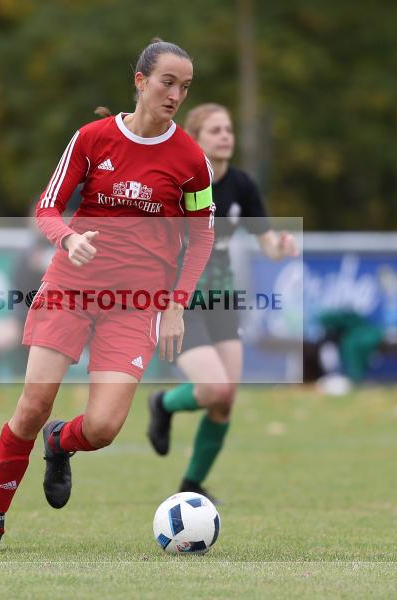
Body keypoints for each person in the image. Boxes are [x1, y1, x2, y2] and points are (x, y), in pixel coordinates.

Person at [0, 39, 215, 553]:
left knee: (101, 427)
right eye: (168, 82)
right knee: (33, 403)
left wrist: (175, 305)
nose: (176, 95)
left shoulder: (191, 160)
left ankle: (60, 443)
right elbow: (47, 207)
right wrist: (68, 238)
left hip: (137, 305)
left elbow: (202, 237)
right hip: (72, 289)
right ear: (141, 81)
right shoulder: (91, 138)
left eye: (185, 87)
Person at [145, 103, 298, 501]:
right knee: (213, 388)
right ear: (195, 139)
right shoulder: (180, 182)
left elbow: (266, 243)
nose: (225, 136)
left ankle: (191, 483)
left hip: (223, 301)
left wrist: (281, 246)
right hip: (180, 301)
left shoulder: (242, 185)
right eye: (215, 130)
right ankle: (162, 403)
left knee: (225, 399)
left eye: (228, 129)